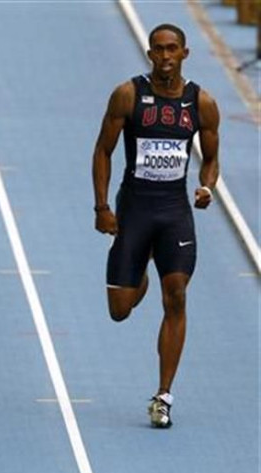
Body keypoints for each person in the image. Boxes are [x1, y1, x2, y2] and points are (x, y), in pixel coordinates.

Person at [91, 24, 220, 428]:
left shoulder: (202, 102)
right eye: (158, 50)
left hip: (174, 210)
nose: (165, 56)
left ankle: (163, 395)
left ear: (185, 53)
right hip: (135, 209)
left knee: (177, 294)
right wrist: (101, 207)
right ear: (149, 54)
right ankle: (140, 273)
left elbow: (212, 159)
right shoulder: (128, 95)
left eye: (172, 50)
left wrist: (206, 187)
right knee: (120, 310)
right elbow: (103, 150)